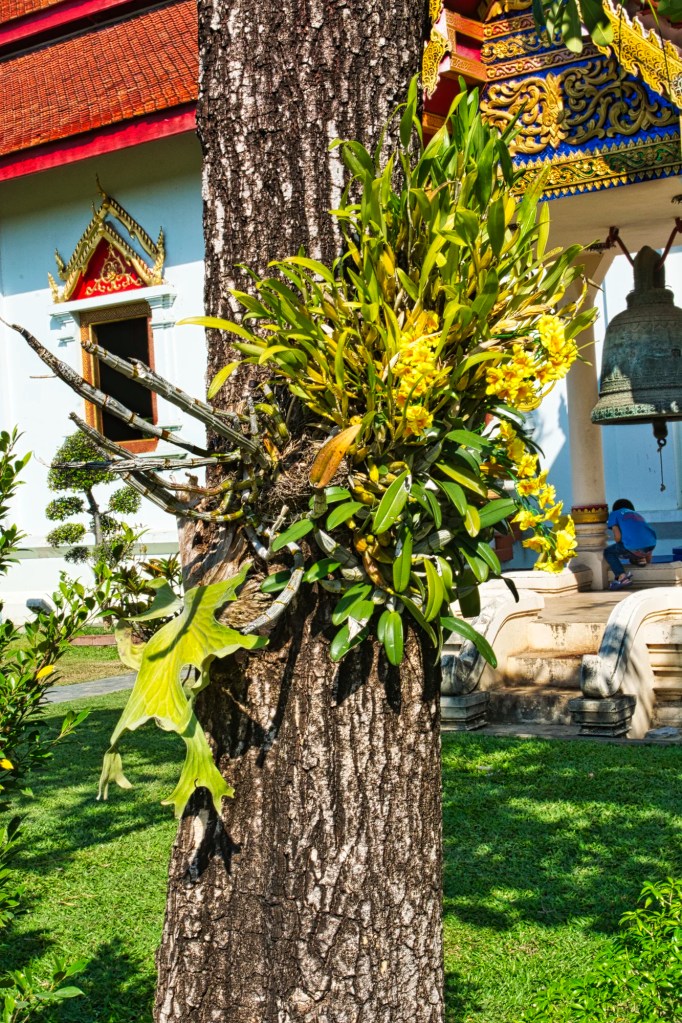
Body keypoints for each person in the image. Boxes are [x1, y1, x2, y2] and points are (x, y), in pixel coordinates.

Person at [605, 499, 656, 590]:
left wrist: (620, 545)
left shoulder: (614, 514)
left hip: (633, 547)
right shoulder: (637, 515)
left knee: (608, 552)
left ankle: (622, 577)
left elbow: (618, 537)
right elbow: (647, 536)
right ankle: (640, 559)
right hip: (650, 546)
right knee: (637, 545)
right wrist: (648, 562)